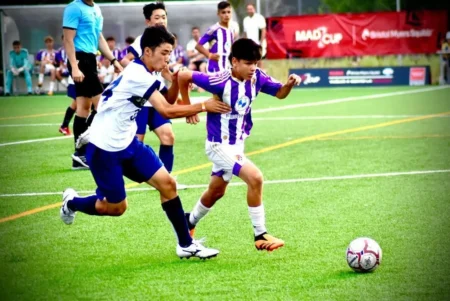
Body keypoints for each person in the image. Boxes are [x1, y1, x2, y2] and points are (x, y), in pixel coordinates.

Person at [60, 26, 231, 259]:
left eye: (170, 53)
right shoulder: (138, 74)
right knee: (116, 208)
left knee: (168, 184)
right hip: (104, 149)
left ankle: (186, 244)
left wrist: (174, 80)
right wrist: (203, 105)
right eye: (164, 52)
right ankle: (72, 203)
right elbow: (167, 111)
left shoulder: (149, 72)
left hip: (128, 144)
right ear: (148, 51)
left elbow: (168, 99)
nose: (167, 58)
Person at [178, 38, 302, 251]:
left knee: (216, 191)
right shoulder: (219, 80)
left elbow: (280, 93)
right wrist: (189, 107)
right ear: (234, 61)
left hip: (237, 145)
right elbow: (183, 75)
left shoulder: (258, 78)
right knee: (255, 178)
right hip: (218, 145)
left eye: (256, 62)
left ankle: (187, 222)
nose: (253, 67)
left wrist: (289, 84)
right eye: (248, 63)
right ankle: (260, 234)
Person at [119, 2, 185, 188]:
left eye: (164, 17)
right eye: (157, 17)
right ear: (148, 21)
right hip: (141, 100)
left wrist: (170, 77)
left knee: (168, 136)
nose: (162, 20)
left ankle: (167, 178)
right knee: (136, 143)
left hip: (156, 97)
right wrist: (140, 76)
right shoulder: (143, 40)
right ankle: (122, 177)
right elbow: (125, 60)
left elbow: (162, 70)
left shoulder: (167, 39)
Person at [63, 0, 123, 169]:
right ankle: (90, 149)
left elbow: (98, 37)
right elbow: (68, 40)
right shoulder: (74, 8)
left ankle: (80, 156)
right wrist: (74, 66)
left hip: (90, 59)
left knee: (83, 107)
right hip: (80, 60)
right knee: (103, 104)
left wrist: (113, 60)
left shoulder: (96, 9)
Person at [195, 1, 234, 74]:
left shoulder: (231, 30)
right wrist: (209, 55)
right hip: (215, 69)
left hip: (227, 68)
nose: (226, 15)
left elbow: (230, 47)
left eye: (229, 12)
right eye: (223, 12)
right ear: (218, 14)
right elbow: (198, 46)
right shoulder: (214, 29)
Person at [243, 3, 266, 68]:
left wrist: (261, 42)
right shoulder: (245, 20)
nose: (250, 10)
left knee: (259, 59)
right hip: (250, 44)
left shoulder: (259, 18)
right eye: (248, 9)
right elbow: (245, 32)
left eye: (251, 9)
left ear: (254, 9)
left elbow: (263, 30)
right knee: (251, 60)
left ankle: (261, 74)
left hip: (258, 43)